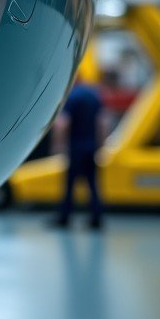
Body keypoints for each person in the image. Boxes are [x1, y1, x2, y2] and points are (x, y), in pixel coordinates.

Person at [52, 80, 106, 229]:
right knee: (93, 184)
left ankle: (64, 218)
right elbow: (101, 122)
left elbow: (63, 124)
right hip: (91, 147)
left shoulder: (72, 97)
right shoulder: (94, 96)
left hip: (76, 148)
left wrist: (58, 145)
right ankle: (96, 219)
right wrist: (101, 145)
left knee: (69, 185)